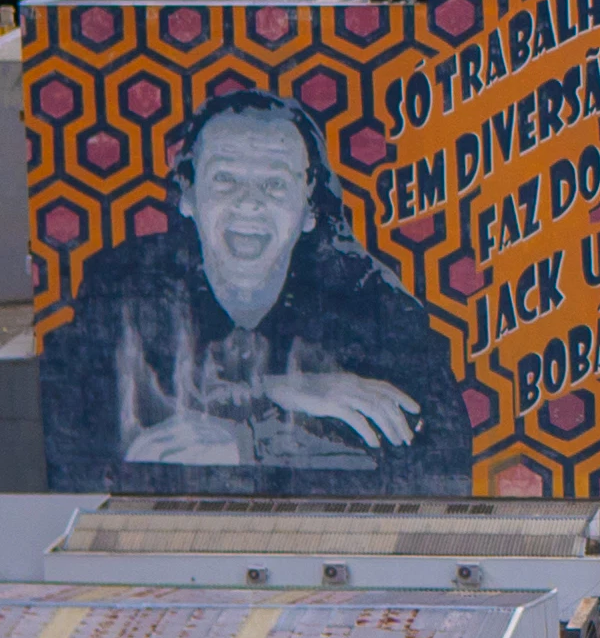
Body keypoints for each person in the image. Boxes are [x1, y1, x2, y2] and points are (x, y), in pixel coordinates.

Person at [37, 87, 480, 494]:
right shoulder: (123, 285)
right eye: (225, 179)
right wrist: (271, 394)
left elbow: (445, 465)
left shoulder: (370, 299)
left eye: (274, 184)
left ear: (308, 209)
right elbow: (64, 447)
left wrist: (254, 438)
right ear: (188, 196)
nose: (249, 202)